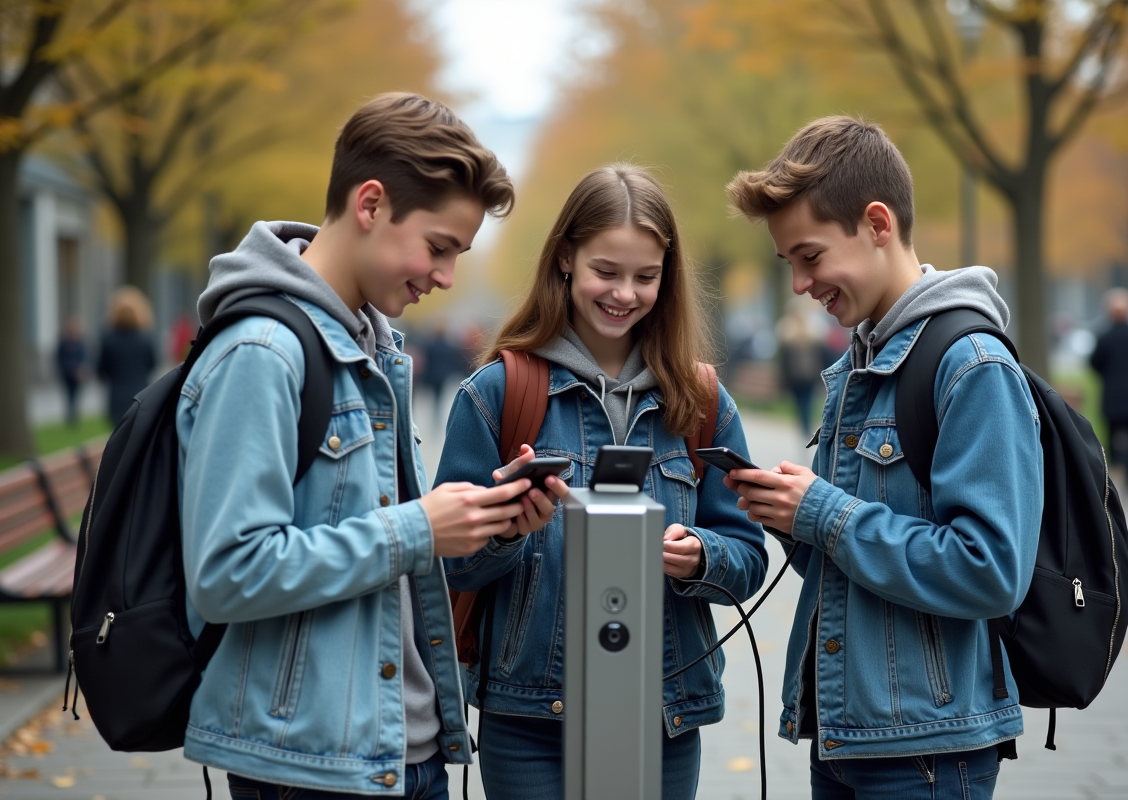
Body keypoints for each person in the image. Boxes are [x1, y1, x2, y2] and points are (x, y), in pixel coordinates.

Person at [177, 92, 528, 799]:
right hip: (310, 768)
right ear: (371, 205)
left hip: (401, 750)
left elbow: (378, 545)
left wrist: (480, 528)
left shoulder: (373, 346)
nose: (446, 276)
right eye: (439, 246)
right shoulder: (264, 351)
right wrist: (418, 527)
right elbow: (226, 572)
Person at [722, 117, 1042, 799]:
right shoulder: (859, 365)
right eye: (790, 265)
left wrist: (828, 514)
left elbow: (990, 571)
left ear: (876, 223)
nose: (802, 284)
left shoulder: (971, 365)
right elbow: (847, 561)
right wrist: (792, 518)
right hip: (846, 735)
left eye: (810, 256)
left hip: (928, 752)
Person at [435, 164, 769, 800]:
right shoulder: (498, 394)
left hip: (665, 716)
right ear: (566, 257)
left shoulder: (700, 401)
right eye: (606, 272)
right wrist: (506, 531)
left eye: (646, 276)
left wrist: (700, 555)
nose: (625, 293)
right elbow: (448, 566)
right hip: (530, 721)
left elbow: (749, 559)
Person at [1089, 288, 1128, 492]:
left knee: (1111, 435)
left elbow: (1094, 362)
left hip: (1112, 396)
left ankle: (1114, 474)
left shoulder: (1105, 337)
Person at [97, 287, 157, 424]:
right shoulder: (145, 339)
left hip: (116, 396)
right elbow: (152, 364)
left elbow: (101, 370)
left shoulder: (108, 340)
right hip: (141, 394)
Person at [776, 297, 827, 434]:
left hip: (795, 375)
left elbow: (783, 359)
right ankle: (806, 426)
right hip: (809, 374)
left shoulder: (786, 330)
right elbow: (819, 355)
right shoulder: (812, 329)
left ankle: (804, 426)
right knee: (807, 401)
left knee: (801, 402)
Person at [55, 318, 89, 426]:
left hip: (78, 375)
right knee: (69, 396)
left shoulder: (80, 343)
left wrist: (82, 369)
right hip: (68, 375)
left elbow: (85, 358)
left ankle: (74, 417)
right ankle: (70, 418)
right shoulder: (64, 343)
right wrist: (71, 369)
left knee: (76, 396)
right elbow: (61, 359)